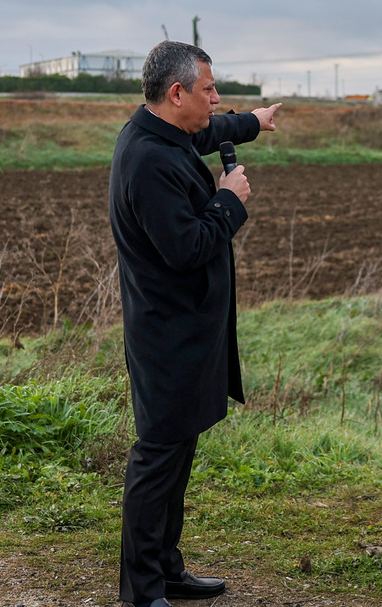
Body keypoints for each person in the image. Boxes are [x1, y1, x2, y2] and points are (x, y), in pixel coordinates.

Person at [109, 40, 280, 607]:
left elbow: (204, 133)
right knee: (158, 457)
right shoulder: (149, 162)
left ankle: (166, 568)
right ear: (176, 92)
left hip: (186, 328)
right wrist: (229, 199)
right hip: (167, 332)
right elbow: (186, 249)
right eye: (208, 89)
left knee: (178, 450)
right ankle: (141, 590)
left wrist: (251, 123)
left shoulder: (162, 132)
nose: (216, 98)